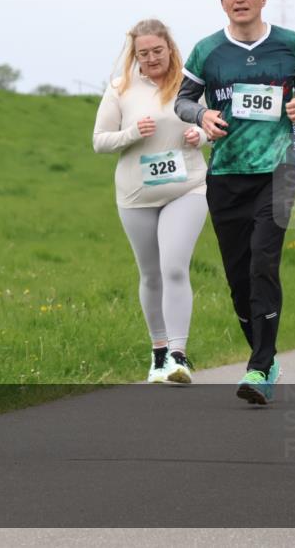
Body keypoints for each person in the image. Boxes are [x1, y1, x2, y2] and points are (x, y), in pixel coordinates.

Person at [175, 0, 295, 405]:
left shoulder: (290, 44)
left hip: (279, 167)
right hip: (226, 173)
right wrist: (201, 115)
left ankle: (259, 366)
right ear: (222, 3)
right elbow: (183, 100)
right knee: (239, 279)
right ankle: (265, 358)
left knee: (262, 262)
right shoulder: (207, 51)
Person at [93, 19, 209, 384]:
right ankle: (158, 354)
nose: (151, 58)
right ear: (135, 55)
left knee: (174, 267)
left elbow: (214, 125)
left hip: (187, 187)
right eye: (143, 53)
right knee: (150, 273)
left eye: (157, 51)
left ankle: (179, 355)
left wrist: (201, 134)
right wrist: (131, 133)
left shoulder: (191, 86)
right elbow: (99, 141)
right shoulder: (121, 88)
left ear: (170, 48)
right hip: (136, 195)